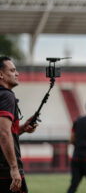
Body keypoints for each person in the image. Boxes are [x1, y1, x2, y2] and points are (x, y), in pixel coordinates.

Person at [0, 56, 38, 193]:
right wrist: (14, 168)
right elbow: (3, 133)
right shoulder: (6, 96)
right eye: (12, 70)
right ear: (1, 74)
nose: (17, 74)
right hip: (5, 170)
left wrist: (22, 129)